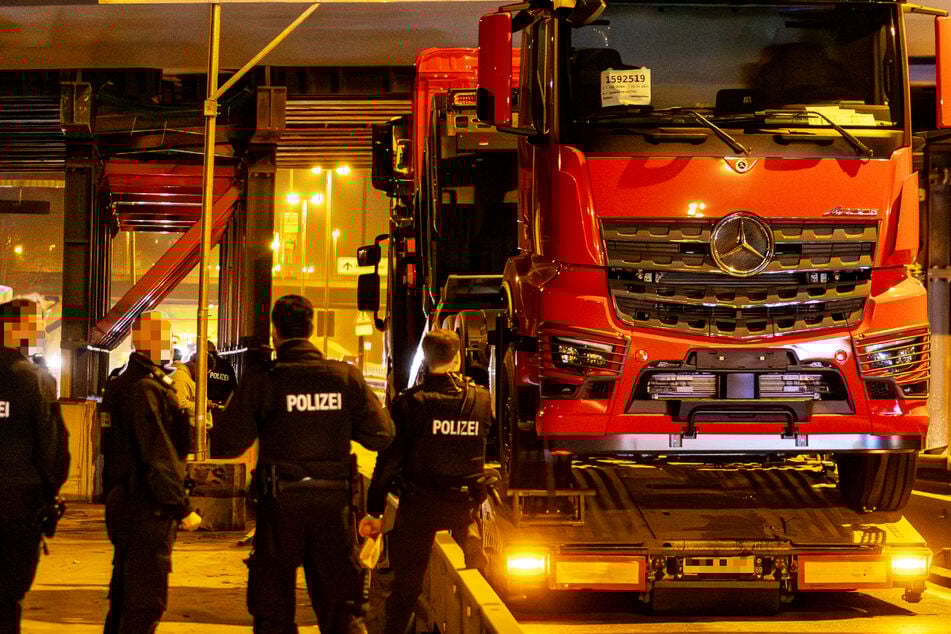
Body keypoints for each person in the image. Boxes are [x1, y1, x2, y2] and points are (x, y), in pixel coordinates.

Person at [218, 294, 394, 634]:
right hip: (334, 508)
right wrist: (343, 422)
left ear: (275, 333)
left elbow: (227, 443)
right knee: (342, 611)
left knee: (273, 613)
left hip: (280, 505)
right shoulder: (344, 378)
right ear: (311, 329)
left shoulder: (264, 379)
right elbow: (382, 435)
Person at [359, 328, 493, 634]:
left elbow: (389, 461)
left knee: (406, 583)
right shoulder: (481, 399)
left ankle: (395, 629)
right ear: (458, 358)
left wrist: (375, 510)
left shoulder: (411, 403)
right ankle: (468, 533)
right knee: (464, 515)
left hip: (419, 504)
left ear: (426, 360)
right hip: (463, 498)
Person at [99, 310, 201, 634]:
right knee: (145, 602)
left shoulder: (120, 384)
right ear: (140, 339)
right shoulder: (146, 388)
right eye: (161, 337)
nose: (167, 344)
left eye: (168, 337)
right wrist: (182, 507)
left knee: (125, 596)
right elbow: (158, 454)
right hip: (146, 506)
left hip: (122, 500)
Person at [0, 297, 70, 634]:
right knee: (7, 599)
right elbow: (52, 450)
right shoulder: (35, 381)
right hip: (18, 508)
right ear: (18, 328)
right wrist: (49, 493)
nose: (40, 330)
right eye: (37, 323)